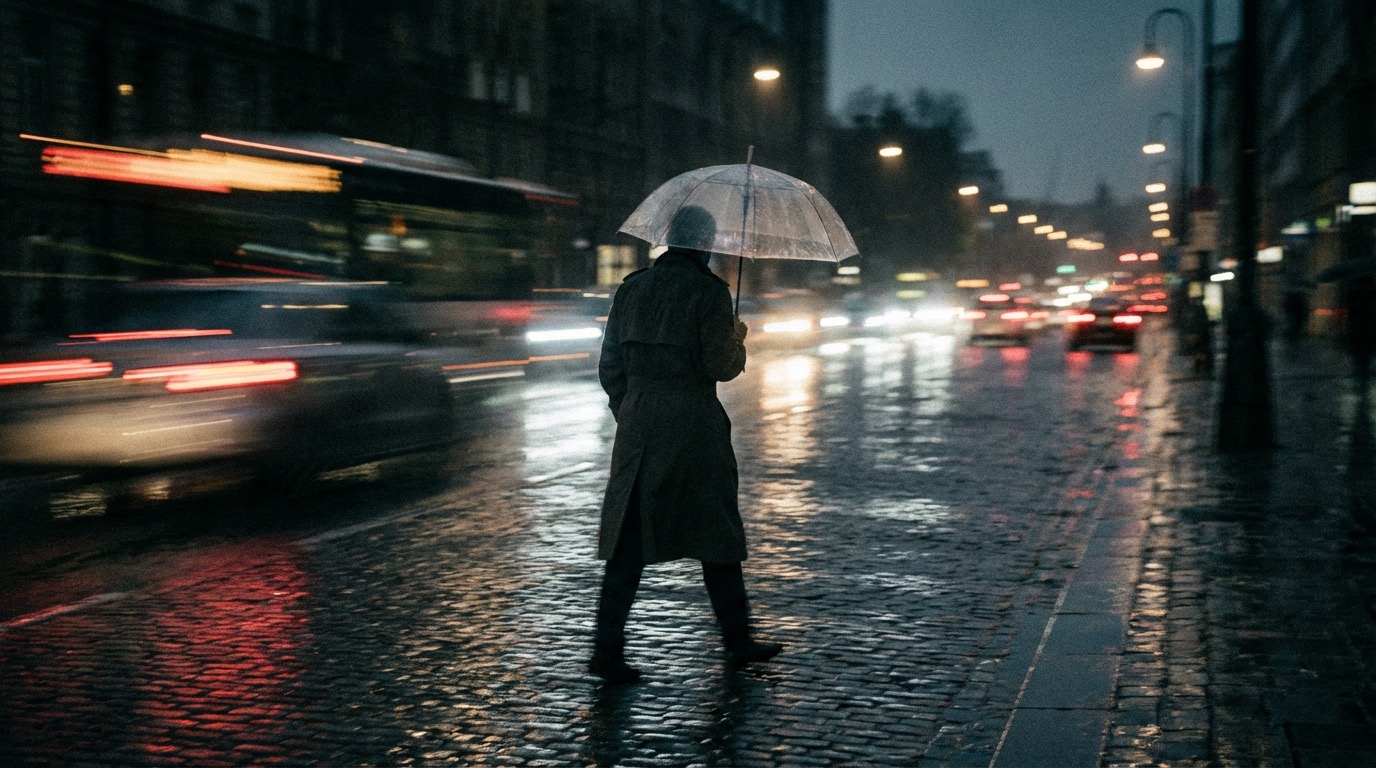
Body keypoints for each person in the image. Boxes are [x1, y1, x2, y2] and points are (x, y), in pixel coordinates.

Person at [590, 205, 783, 684]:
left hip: (639, 425)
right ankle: (738, 641)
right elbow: (720, 365)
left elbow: (610, 363)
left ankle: (606, 650)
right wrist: (736, 338)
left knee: (628, 544)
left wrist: (632, 409)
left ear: (670, 239)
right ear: (706, 243)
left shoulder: (631, 288)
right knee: (716, 535)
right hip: (693, 426)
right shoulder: (709, 292)